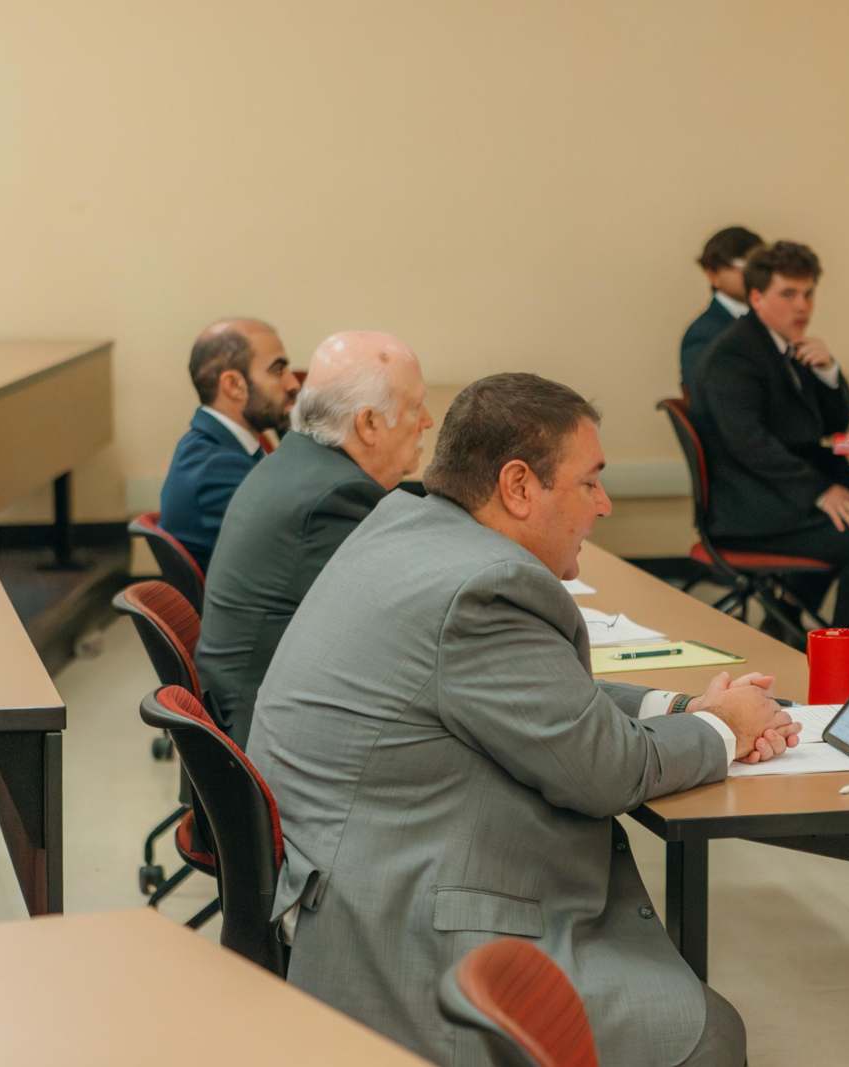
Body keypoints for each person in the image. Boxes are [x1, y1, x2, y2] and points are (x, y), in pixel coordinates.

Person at [246, 372, 799, 1067]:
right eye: (589, 481)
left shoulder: (404, 526)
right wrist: (728, 729)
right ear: (517, 486)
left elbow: (540, 694)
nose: (605, 504)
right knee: (709, 1035)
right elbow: (605, 772)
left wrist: (682, 707)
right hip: (401, 931)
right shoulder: (486, 588)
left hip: (354, 872)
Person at [687, 240, 849, 660]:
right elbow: (750, 444)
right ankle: (848, 668)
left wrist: (827, 371)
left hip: (782, 490)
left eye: (808, 293)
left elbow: (831, 425)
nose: (802, 306)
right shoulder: (733, 356)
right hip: (753, 509)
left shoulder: (780, 343)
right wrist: (821, 492)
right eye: (788, 294)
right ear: (757, 297)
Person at [196, 330, 432, 746]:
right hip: (265, 737)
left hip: (246, 707)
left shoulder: (300, 461)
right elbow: (406, 627)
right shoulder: (335, 499)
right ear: (369, 424)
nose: (428, 421)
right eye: (416, 407)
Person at [158, 318, 298, 571]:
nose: (293, 384)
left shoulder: (218, 448)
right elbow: (299, 545)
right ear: (233, 386)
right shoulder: (216, 470)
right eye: (278, 370)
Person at [679, 225, 764, 389]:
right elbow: (707, 395)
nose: (753, 275)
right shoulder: (703, 333)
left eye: (759, 267)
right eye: (743, 265)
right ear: (712, 274)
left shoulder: (772, 322)